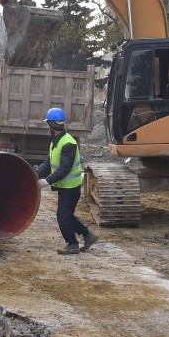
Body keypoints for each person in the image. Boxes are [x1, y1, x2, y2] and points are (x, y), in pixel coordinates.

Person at [35, 107, 99, 255]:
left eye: (47, 123)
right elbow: (49, 160)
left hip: (71, 187)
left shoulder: (68, 143)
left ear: (51, 124)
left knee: (63, 216)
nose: (47, 126)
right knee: (66, 215)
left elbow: (64, 169)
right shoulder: (57, 140)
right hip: (65, 186)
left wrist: (46, 181)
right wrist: (37, 173)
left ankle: (72, 244)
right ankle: (88, 235)